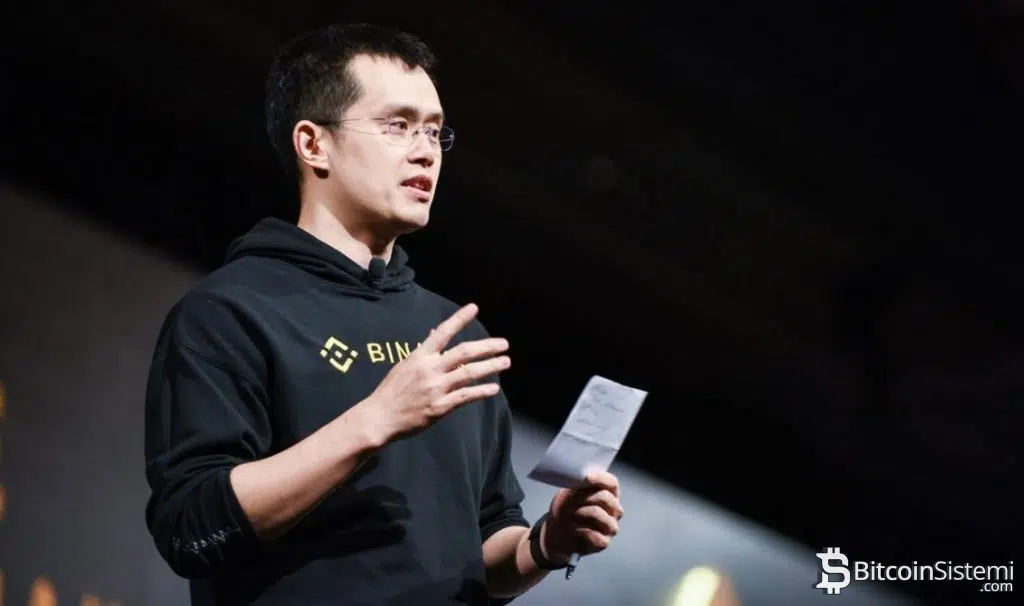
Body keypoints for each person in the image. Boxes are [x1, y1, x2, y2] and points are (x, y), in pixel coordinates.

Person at [143, 22, 625, 606]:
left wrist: (547, 542)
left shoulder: (454, 334)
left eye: (435, 132)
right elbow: (191, 527)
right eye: (398, 126)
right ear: (313, 144)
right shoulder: (230, 312)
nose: (426, 151)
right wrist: (375, 420)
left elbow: (482, 548)